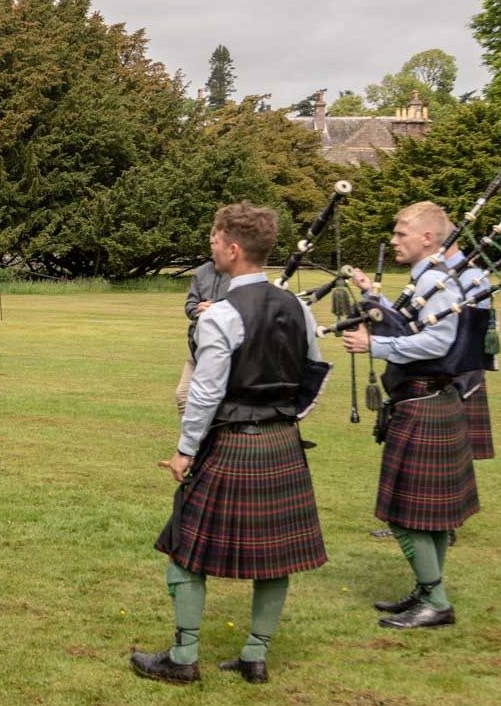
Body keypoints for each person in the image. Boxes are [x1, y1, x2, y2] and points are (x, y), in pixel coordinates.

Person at [134, 204, 327, 686]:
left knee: (184, 545)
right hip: (284, 444)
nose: (212, 247)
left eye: (216, 240)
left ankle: (183, 658)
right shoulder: (298, 307)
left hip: (233, 444)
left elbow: (205, 392)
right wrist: (285, 418)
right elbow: (315, 377)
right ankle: (254, 656)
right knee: (276, 554)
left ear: (234, 248)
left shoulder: (221, 316)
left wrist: (185, 449)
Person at [343, 201, 479, 629]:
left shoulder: (438, 281)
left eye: (401, 233)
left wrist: (374, 346)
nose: (394, 240)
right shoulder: (429, 280)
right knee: (430, 516)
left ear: (427, 238)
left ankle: (436, 601)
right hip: (427, 402)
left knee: (406, 516)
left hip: (425, 403)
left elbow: (438, 342)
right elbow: (411, 328)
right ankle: (426, 591)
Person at [443, 243, 495, 463]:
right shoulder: (438, 273)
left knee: (453, 460)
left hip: (458, 375)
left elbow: (470, 336)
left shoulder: (471, 276)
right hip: (443, 373)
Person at [174, 258, 231, 416]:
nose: (214, 246)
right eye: (212, 242)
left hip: (225, 349)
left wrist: (217, 309)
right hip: (198, 348)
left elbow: (246, 308)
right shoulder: (201, 272)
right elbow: (190, 304)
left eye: (217, 242)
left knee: (219, 403)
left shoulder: (238, 273)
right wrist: (198, 309)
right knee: (183, 396)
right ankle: (192, 440)